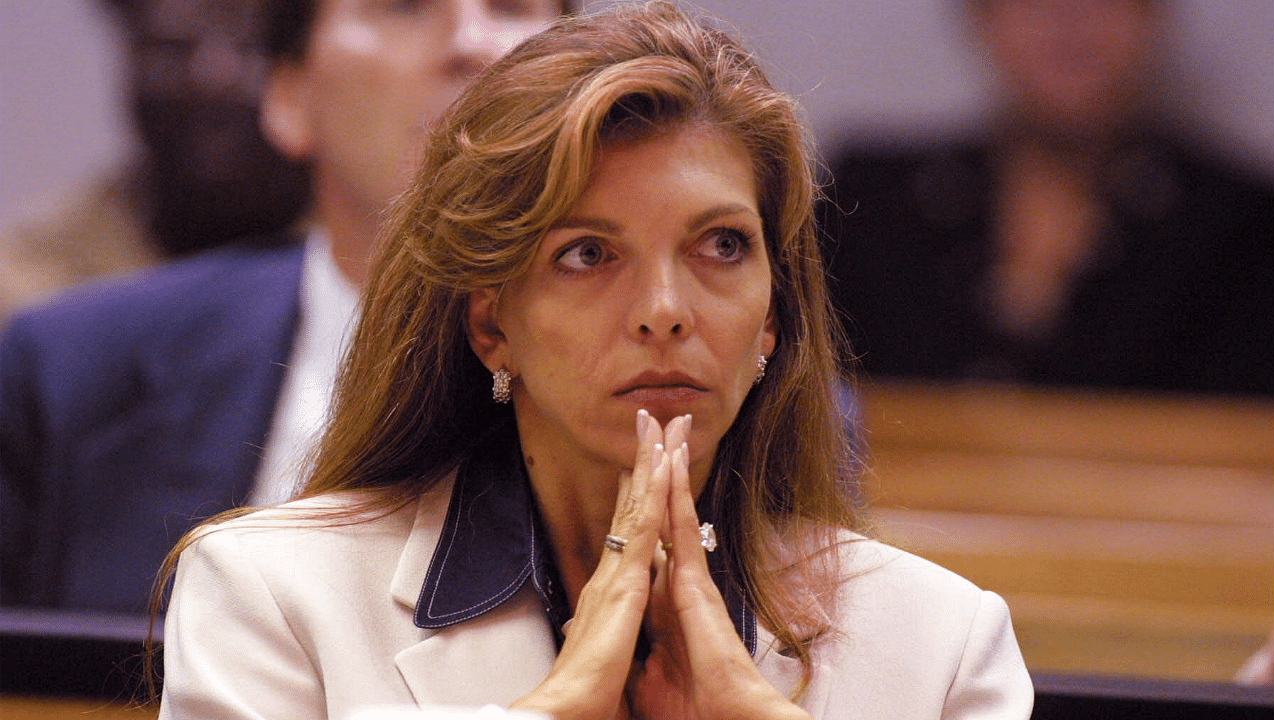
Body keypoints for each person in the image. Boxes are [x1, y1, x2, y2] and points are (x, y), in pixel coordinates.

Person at [156, 4, 1034, 718]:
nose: (664, 313)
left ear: (774, 320)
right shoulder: (273, 599)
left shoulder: (941, 644)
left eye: (722, 246)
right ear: (490, 324)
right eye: (587, 254)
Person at [0, 0, 566, 613]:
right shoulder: (64, 375)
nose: (471, 42)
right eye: (404, 6)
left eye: (511, 5)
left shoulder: (656, 376)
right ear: (290, 97)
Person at [821, 0, 1274, 395]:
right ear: (982, 17)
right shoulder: (867, 201)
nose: (1069, 18)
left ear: (1153, 17)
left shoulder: (1246, 227)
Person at [0, 0, 311, 321]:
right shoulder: (27, 285)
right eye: (173, 47)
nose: (214, 78)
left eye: (253, 47)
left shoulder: (356, 266)